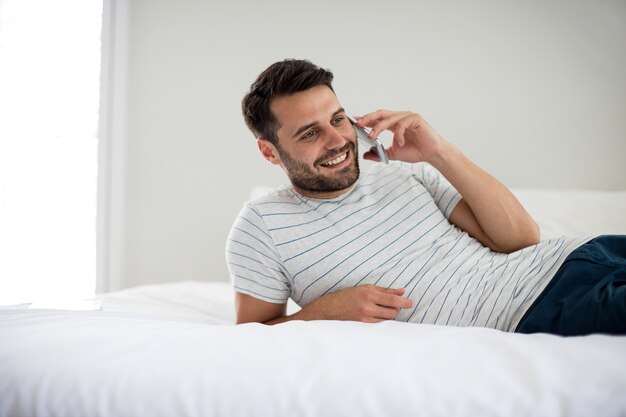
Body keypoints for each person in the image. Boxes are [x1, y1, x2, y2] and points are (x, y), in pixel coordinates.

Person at [226, 58, 625, 336]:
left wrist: (439, 152)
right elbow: (253, 337)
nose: (337, 141)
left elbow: (522, 240)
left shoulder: (402, 172)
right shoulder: (263, 226)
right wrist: (321, 313)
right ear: (269, 151)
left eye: (338, 119)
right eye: (310, 133)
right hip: (540, 309)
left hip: (578, 257)